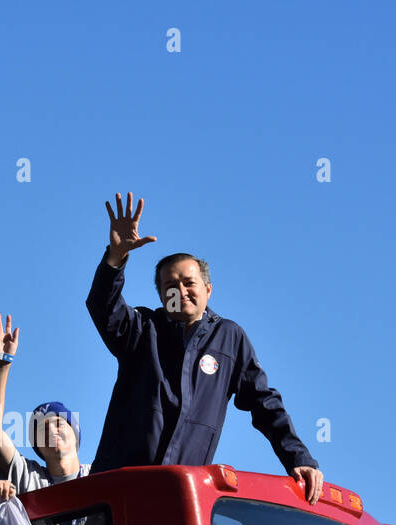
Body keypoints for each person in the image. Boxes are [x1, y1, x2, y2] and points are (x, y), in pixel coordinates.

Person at [85, 192, 324, 504]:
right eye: (170, 286)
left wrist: (299, 458)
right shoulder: (142, 330)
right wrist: (115, 258)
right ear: (160, 296)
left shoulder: (230, 338)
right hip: (119, 489)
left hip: (181, 494)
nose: (181, 291)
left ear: (207, 290)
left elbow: (265, 404)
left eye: (189, 282)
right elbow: (103, 307)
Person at [0, 312, 90, 492]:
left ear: (76, 433)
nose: (51, 431)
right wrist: (2, 364)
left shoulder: (97, 472)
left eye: (58, 423)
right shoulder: (28, 476)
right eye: (42, 430)